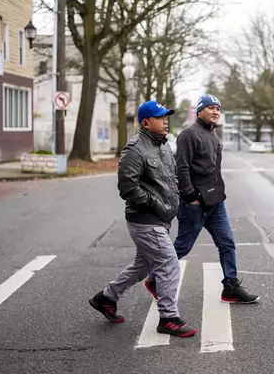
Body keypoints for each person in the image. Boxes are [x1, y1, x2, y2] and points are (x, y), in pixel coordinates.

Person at [89, 101, 197, 338]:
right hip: (145, 219)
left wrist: (176, 200)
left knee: (143, 266)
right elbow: (127, 188)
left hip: (161, 218)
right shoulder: (134, 150)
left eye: (166, 116)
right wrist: (156, 203)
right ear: (146, 122)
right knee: (169, 264)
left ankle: (105, 298)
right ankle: (168, 318)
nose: (166, 120)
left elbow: (170, 179)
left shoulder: (164, 146)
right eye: (160, 117)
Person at [145, 94, 259, 304]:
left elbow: (214, 171)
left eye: (218, 108)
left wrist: (219, 193)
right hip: (195, 203)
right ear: (200, 111)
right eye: (210, 108)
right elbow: (181, 167)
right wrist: (191, 196)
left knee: (227, 243)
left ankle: (230, 288)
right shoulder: (189, 135)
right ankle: (153, 280)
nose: (215, 112)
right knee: (183, 246)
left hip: (215, 202)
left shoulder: (215, 138)